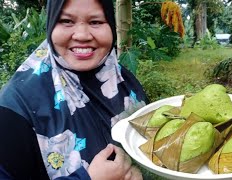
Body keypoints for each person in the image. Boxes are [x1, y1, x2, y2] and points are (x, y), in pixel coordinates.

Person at [0, 0, 149, 179]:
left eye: (95, 22)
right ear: (51, 24)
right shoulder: (15, 107)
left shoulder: (125, 82)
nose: (82, 35)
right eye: (66, 21)